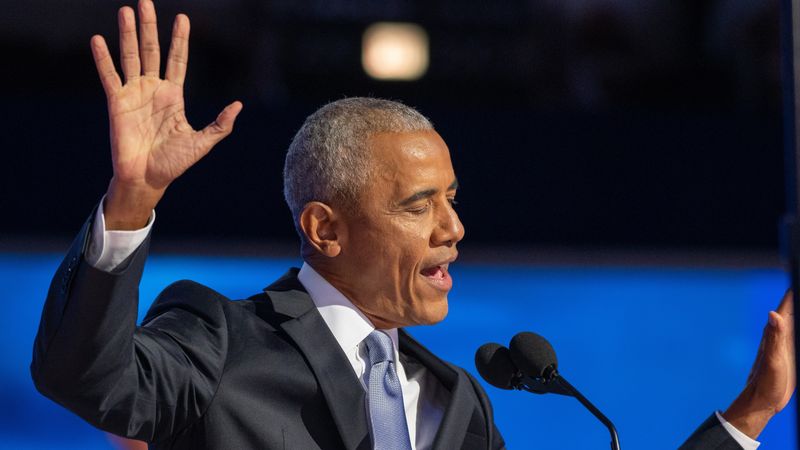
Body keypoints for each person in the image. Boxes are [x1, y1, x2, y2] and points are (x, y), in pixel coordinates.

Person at [31, 1, 794, 449]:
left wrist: (747, 415)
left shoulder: (460, 401)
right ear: (326, 230)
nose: (454, 228)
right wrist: (131, 200)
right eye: (418, 203)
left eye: (453, 198)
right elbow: (83, 377)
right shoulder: (223, 337)